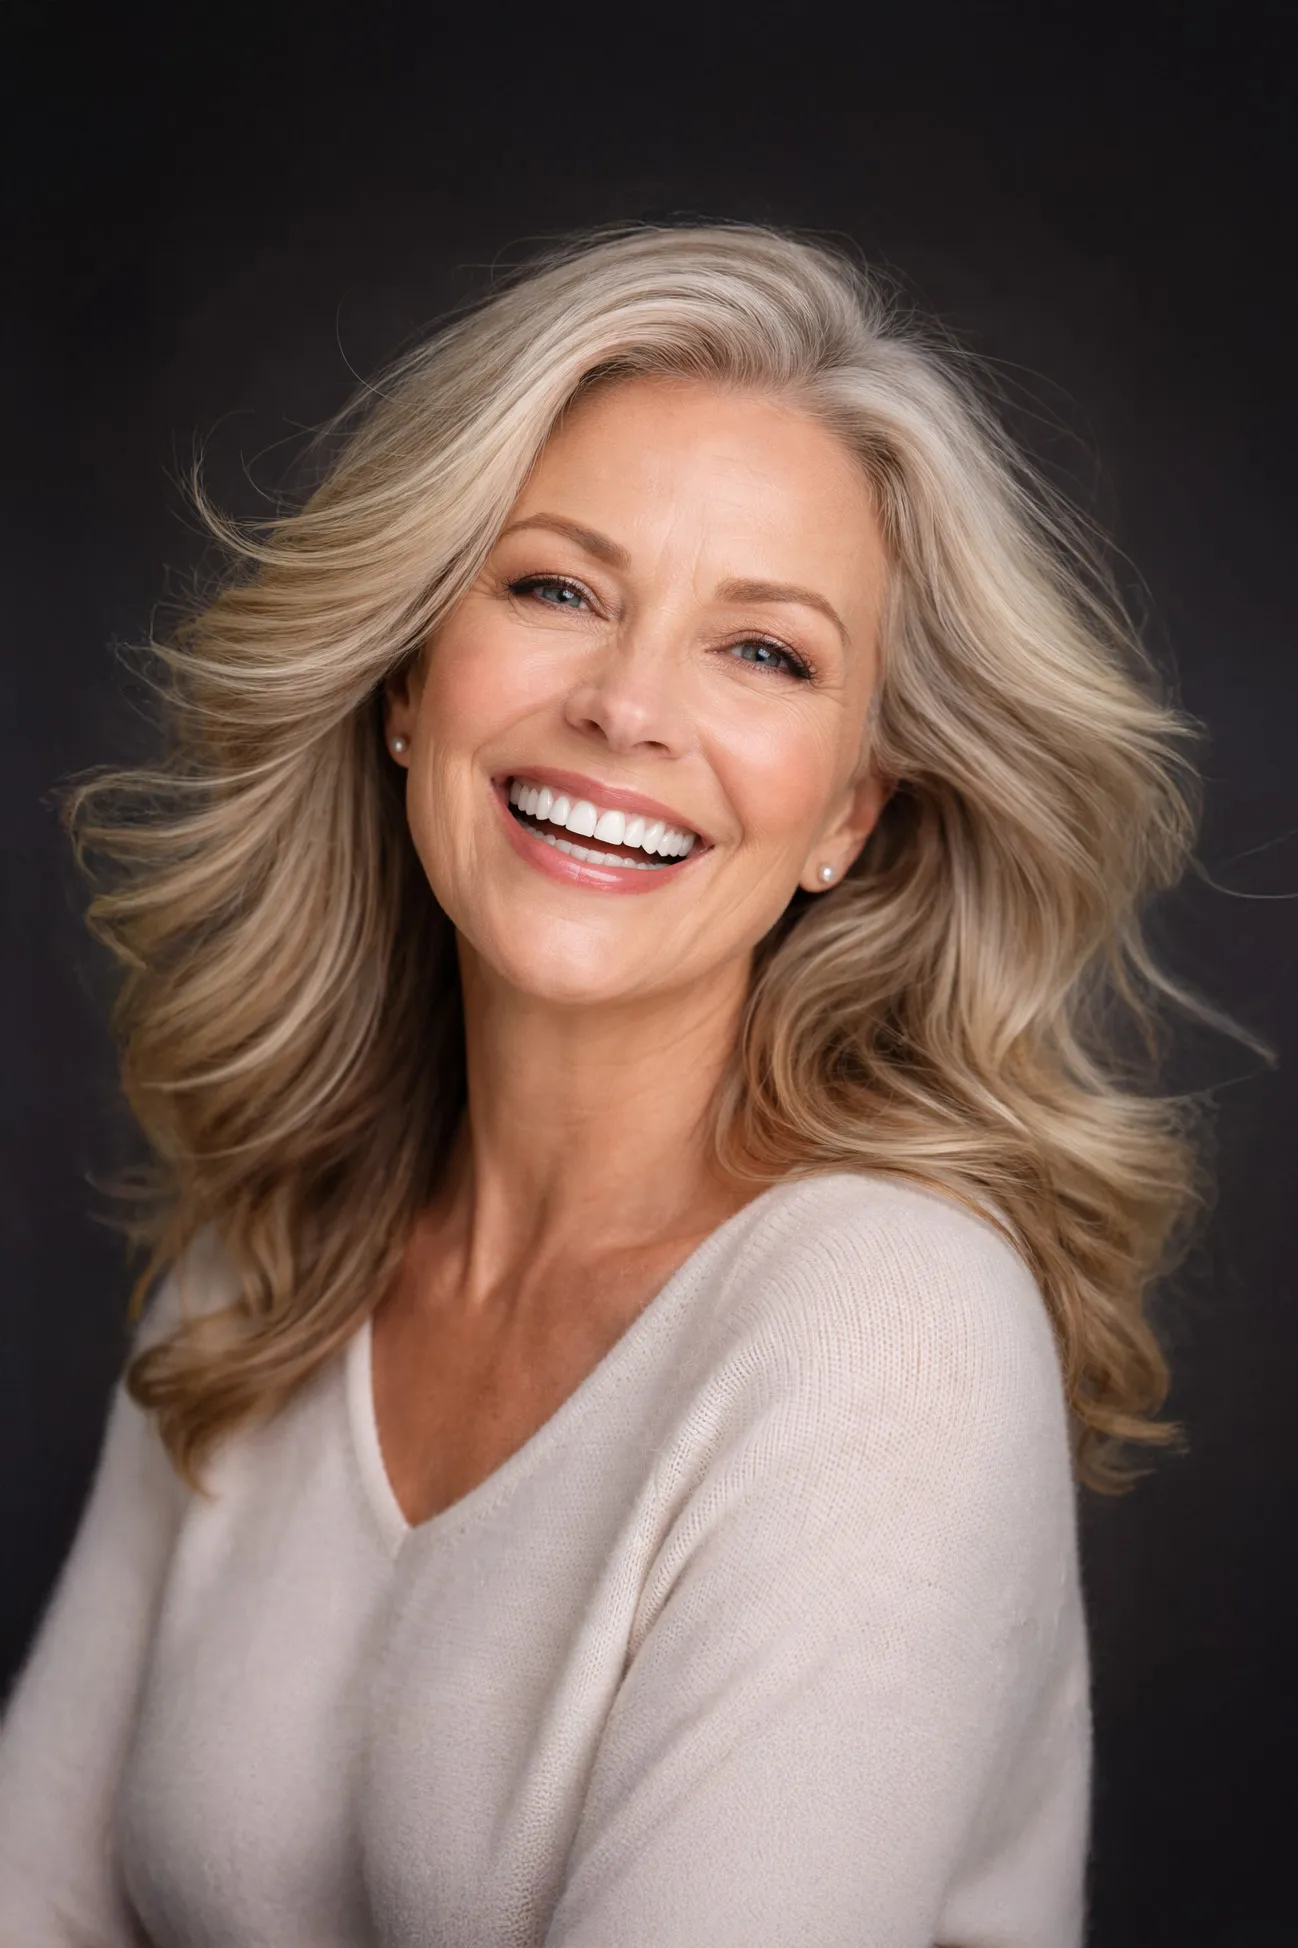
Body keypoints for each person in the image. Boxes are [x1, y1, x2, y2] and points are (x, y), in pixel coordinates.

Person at [0, 220, 1244, 1946]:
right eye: (556, 588)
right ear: (406, 688)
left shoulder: (881, 1327)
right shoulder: (264, 1272)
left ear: (848, 815)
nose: (628, 709)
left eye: (765, 653)